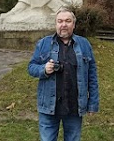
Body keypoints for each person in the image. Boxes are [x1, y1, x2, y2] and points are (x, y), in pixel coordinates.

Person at [28, 8, 99, 141]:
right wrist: (44, 69)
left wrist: (92, 103)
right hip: (49, 106)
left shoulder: (84, 44)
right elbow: (31, 67)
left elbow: (92, 76)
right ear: (56, 24)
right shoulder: (43, 43)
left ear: (74, 24)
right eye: (60, 21)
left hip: (74, 106)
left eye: (68, 21)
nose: (63, 24)